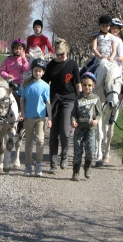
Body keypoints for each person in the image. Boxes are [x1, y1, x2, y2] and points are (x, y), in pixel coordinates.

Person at [42, 38, 82, 174]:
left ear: (67, 51)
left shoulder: (73, 64)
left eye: (62, 54)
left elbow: (77, 83)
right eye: (58, 55)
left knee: (65, 132)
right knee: (53, 134)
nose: (60, 57)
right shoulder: (51, 65)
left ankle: (64, 154)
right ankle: (53, 164)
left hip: (69, 99)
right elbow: (44, 83)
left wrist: (80, 100)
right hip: (54, 100)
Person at [19, 58, 52, 177]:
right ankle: (28, 165)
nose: (37, 73)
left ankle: (38, 163)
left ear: (43, 72)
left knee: (40, 140)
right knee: (28, 142)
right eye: (35, 70)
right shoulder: (26, 85)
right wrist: (22, 113)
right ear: (32, 70)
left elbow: (48, 103)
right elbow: (22, 100)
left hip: (40, 118)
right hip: (28, 117)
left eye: (40, 71)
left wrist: (50, 119)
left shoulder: (45, 86)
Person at [0, 39, 29, 122]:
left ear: (23, 50)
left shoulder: (23, 60)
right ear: (13, 49)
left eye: (20, 49)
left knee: (23, 97)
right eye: (16, 49)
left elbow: (26, 69)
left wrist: (24, 58)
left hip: (19, 84)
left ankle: (22, 114)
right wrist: (7, 76)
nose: (18, 51)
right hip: (8, 83)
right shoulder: (8, 60)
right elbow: (2, 70)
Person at [70, 72, 102, 181]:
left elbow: (99, 113)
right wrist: (73, 121)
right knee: (77, 151)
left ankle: (87, 167)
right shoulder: (78, 99)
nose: (87, 87)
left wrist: (96, 120)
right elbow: (73, 113)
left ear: (93, 86)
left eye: (89, 85)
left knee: (90, 151)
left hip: (90, 129)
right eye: (85, 85)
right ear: (82, 86)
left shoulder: (96, 98)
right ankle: (76, 172)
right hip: (79, 129)